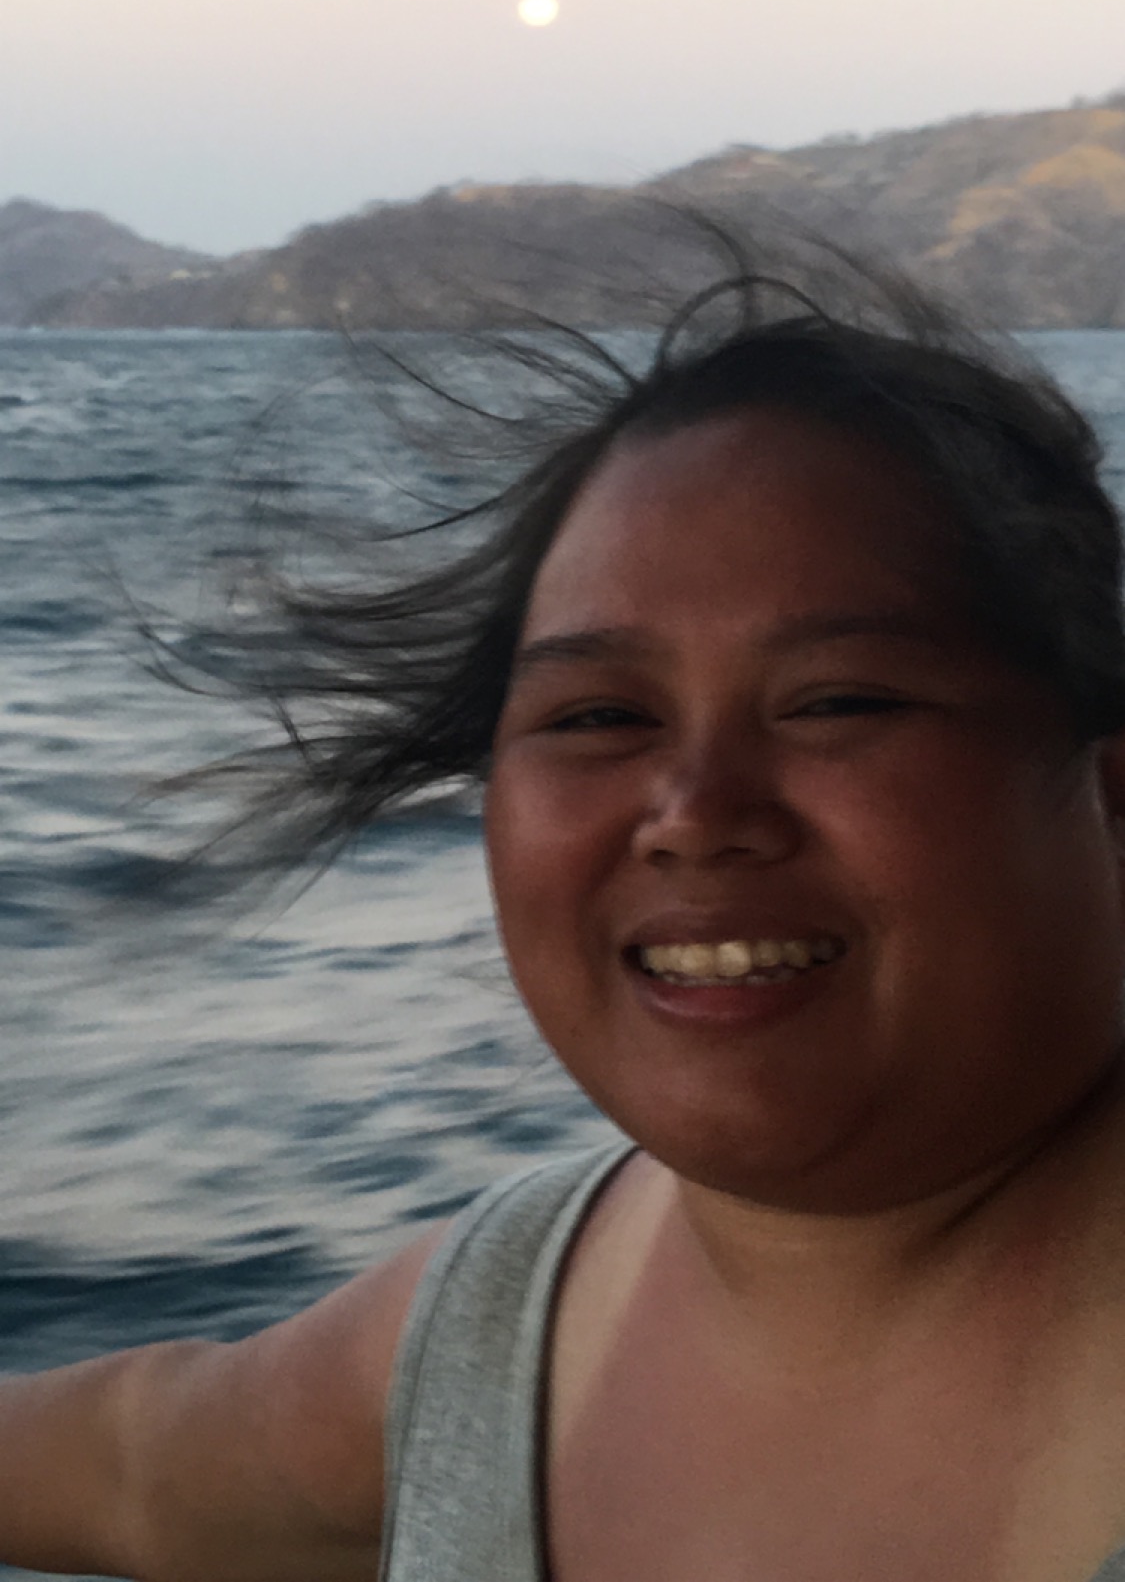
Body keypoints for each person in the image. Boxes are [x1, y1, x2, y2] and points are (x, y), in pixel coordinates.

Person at [6, 243, 1125, 1582]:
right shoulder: (495, 1329)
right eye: (597, 716)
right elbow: (140, 1465)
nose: (692, 809)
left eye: (838, 700)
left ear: (1110, 795)